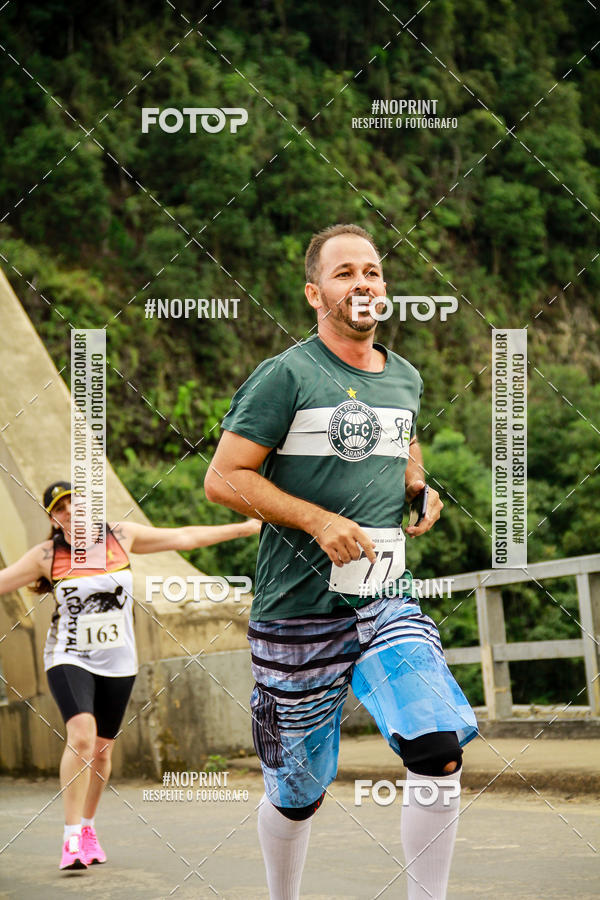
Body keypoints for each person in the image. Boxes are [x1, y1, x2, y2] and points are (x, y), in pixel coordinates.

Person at [204, 223, 478, 900]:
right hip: (295, 616)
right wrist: (316, 519)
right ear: (314, 293)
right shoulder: (286, 374)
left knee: (437, 747)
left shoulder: (405, 377)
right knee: (298, 794)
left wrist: (418, 486)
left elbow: (404, 447)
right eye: (345, 272)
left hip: (384, 601)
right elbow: (224, 478)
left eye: (374, 272)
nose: (364, 283)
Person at [0, 480, 260, 871]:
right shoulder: (45, 555)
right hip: (69, 656)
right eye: (60, 508)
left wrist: (244, 528)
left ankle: (88, 827)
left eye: (75, 502)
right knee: (82, 736)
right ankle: (71, 838)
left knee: (103, 750)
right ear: (53, 519)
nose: (69, 511)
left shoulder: (121, 537)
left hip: (119, 661)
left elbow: (185, 537)